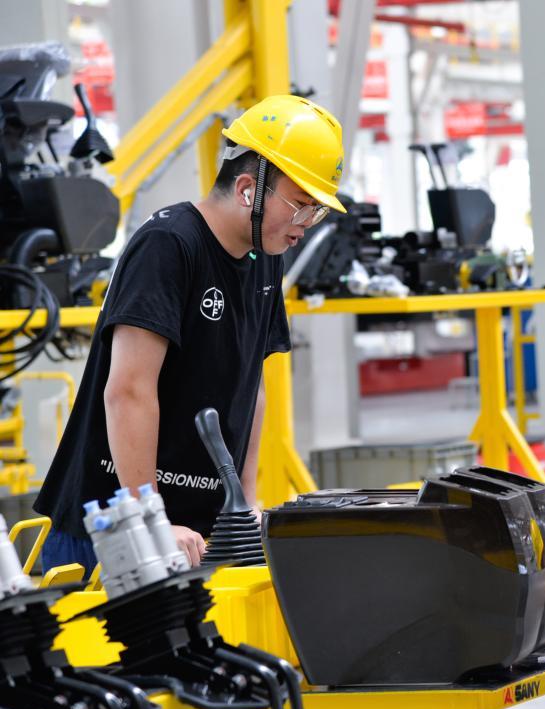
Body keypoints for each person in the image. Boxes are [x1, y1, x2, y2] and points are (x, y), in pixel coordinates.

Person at [35, 95, 347, 572]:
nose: (304, 226)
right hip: (111, 532)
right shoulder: (169, 244)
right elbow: (128, 390)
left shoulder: (265, 262)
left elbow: (251, 387)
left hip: (196, 533)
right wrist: (150, 517)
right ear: (248, 189)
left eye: (316, 213)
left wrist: (245, 500)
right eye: (301, 207)